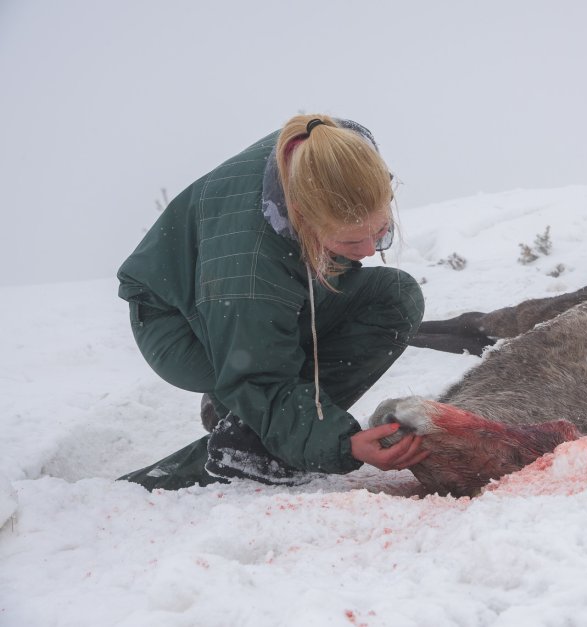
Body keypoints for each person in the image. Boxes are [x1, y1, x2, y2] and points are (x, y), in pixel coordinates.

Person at [117, 114, 428, 491]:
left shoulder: (335, 152)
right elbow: (259, 377)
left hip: (243, 292)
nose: (365, 253)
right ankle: (233, 454)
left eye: (380, 233)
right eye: (349, 244)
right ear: (302, 219)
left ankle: (253, 415)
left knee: (395, 297)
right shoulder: (250, 269)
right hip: (176, 321)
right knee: (257, 372)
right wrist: (341, 445)